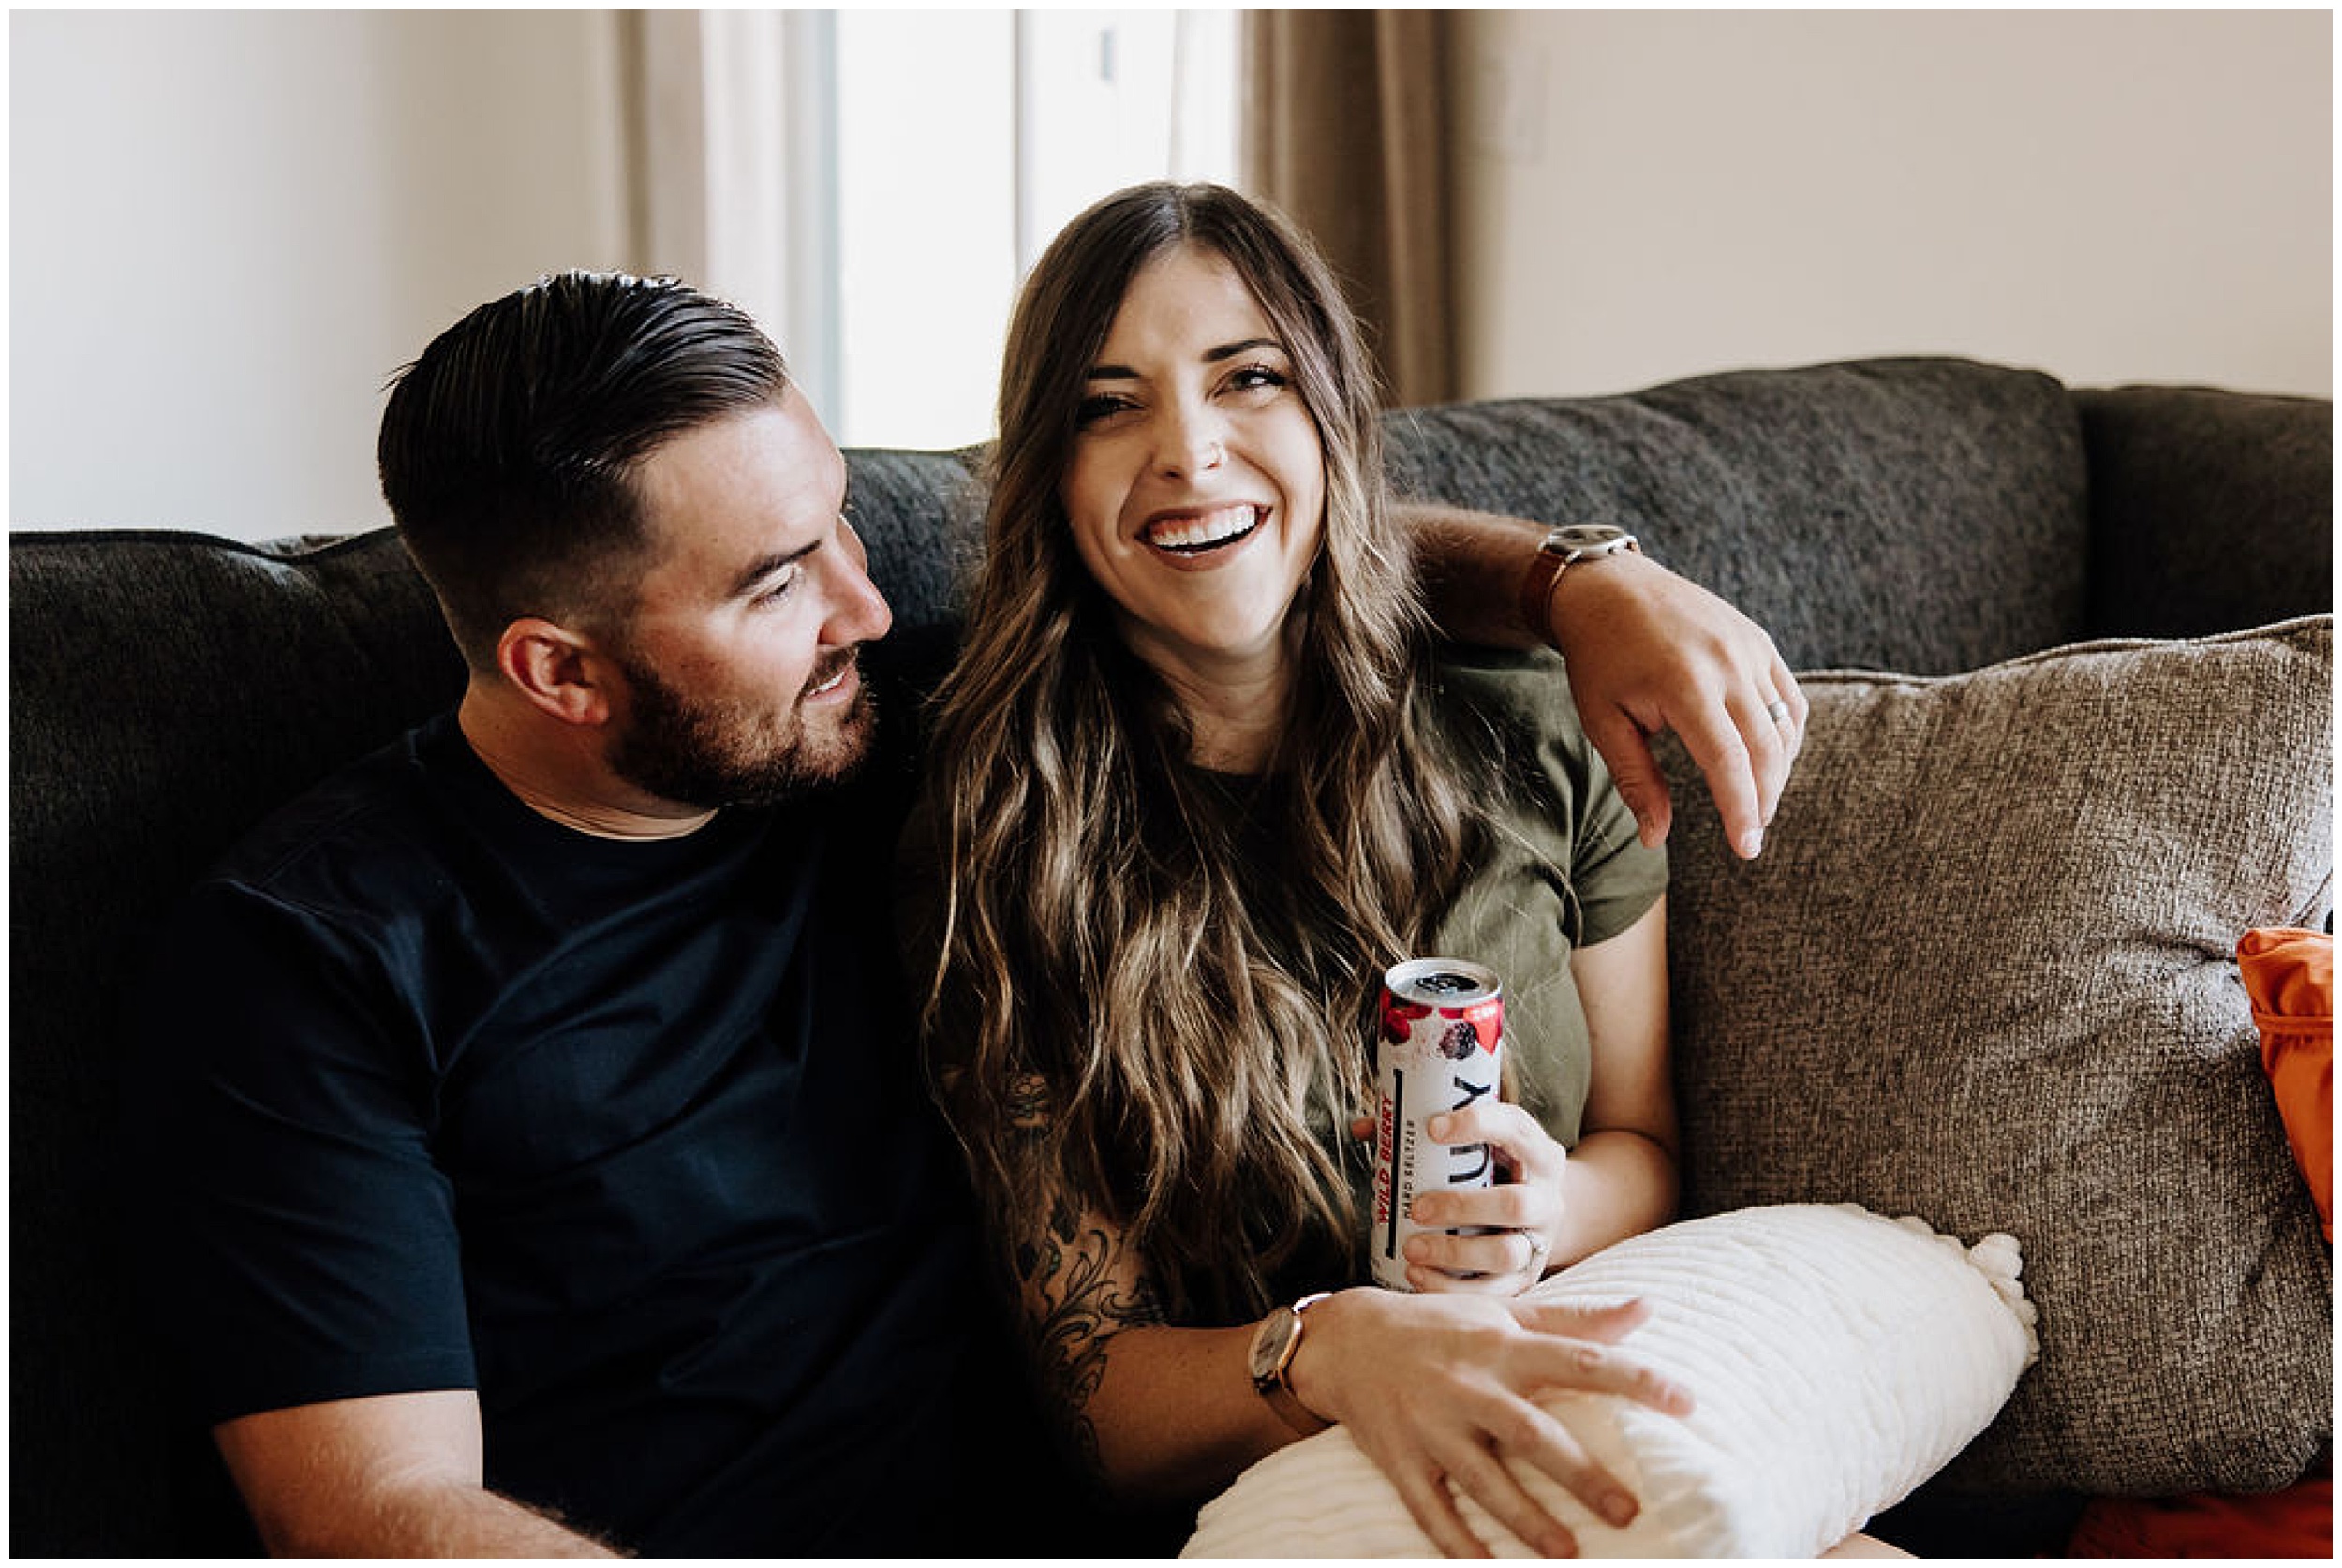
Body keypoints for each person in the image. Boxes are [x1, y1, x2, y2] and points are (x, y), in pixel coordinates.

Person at [117, 266, 1801, 1557]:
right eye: (778, 581)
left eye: (840, 516)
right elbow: (382, 1524)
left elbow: (1230, 549)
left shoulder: (897, 725)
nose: (866, 596)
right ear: (560, 669)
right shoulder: (312, 964)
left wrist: (1586, 579)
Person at [902, 182, 1788, 1559]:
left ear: (1329, 411)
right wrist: (1323, 1350)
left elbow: (1647, 1145)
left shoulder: (1540, 725)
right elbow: (1099, 1407)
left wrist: (1546, 1212)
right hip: (1294, 1501)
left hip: (1584, 1414)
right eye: (1110, 403)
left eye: (1246, 378)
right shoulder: (1010, 832)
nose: (1191, 453)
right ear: (1050, 472)